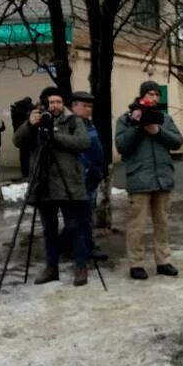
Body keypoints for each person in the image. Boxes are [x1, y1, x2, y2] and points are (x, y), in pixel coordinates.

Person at [12, 86, 91, 286]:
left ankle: (81, 267)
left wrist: (55, 136)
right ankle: (51, 268)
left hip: (69, 184)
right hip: (44, 185)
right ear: (43, 103)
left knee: (75, 227)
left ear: (62, 103)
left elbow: (83, 142)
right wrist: (30, 125)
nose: (55, 105)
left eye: (58, 101)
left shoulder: (73, 120)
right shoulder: (36, 121)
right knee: (49, 229)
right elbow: (17, 141)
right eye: (51, 102)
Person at [115, 80, 183, 280]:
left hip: (163, 178)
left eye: (156, 94)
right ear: (142, 95)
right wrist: (137, 126)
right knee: (137, 225)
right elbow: (122, 146)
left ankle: (163, 261)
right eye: (150, 94)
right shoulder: (126, 119)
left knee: (162, 223)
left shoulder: (164, 118)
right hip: (139, 180)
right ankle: (136, 264)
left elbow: (178, 141)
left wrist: (158, 131)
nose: (153, 97)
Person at [70, 91, 107, 261]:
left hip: (92, 177)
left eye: (90, 106)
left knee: (87, 214)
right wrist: (87, 167)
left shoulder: (89, 124)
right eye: (84, 106)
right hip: (80, 177)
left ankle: (86, 243)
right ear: (74, 106)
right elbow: (74, 152)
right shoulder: (71, 126)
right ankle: (82, 247)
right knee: (80, 216)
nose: (88, 109)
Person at [11, 96, 33, 177]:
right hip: (26, 136)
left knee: (24, 156)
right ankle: (27, 174)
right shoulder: (22, 111)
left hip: (21, 136)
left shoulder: (16, 110)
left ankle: (25, 174)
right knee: (26, 156)